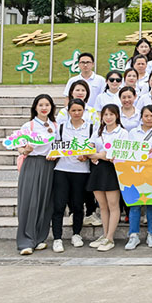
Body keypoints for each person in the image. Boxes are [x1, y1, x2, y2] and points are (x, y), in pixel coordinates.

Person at [51, 98, 95, 253]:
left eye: (79, 110)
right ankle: (57, 238)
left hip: (81, 171)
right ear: (68, 111)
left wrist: (87, 155)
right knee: (59, 205)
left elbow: (93, 147)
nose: (76, 113)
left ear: (84, 111)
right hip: (62, 170)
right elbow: (54, 146)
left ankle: (76, 234)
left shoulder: (90, 127)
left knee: (77, 205)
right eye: (73, 110)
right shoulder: (61, 127)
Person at [15, 94, 57, 255]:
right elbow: (19, 146)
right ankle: (25, 241)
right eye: (41, 105)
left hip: (50, 165)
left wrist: (56, 154)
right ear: (35, 107)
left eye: (47, 105)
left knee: (46, 202)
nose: (44, 108)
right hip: (32, 164)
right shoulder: (29, 126)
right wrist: (25, 150)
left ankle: (39, 237)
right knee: (29, 201)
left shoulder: (55, 125)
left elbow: (59, 146)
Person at [124, 105, 152, 250]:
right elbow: (127, 150)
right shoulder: (132, 132)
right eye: (146, 116)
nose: (149, 119)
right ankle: (133, 235)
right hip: (135, 172)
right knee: (135, 204)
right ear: (141, 117)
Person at [87, 104, 125, 252]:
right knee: (102, 205)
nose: (108, 117)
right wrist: (99, 155)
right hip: (97, 169)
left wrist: (98, 155)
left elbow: (117, 154)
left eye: (111, 114)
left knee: (113, 205)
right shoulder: (98, 131)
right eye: (105, 115)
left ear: (117, 116)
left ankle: (110, 238)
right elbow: (89, 149)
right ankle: (104, 235)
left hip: (113, 170)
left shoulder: (122, 133)